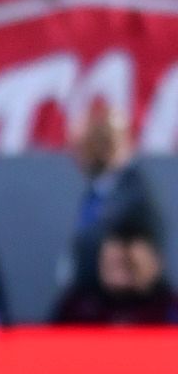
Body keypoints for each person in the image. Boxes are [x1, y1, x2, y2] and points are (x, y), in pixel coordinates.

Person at [60, 102, 164, 294]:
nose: (75, 158)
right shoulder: (96, 192)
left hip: (123, 308)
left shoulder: (133, 195)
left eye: (81, 148)